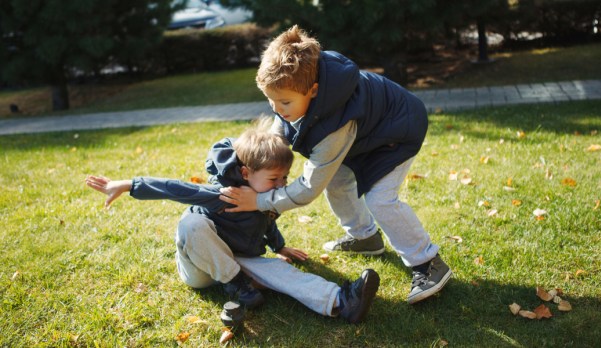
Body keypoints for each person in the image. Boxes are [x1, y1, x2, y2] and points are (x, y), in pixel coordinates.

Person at [219, 26, 451, 305]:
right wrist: (250, 156)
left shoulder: (334, 128)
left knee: (380, 200)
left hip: (397, 133)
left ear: (313, 91)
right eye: (270, 100)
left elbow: (308, 188)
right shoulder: (301, 88)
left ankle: (427, 262)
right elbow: (279, 131)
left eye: (284, 102)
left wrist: (259, 201)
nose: (277, 109)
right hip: (365, 137)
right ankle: (365, 237)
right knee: (338, 182)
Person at [85, 120, 380, 324]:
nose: (280, 185)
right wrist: (127, 184)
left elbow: (266, 223)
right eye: (274, 179)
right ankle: (240, 284)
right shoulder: (223, 194)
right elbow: (174, 188)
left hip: (236, 262)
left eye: (284, 178)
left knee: (280, 271)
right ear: (245, 173)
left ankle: (341, 302)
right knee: (191, 223)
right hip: (200, 269)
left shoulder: (266, 198)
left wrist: (280, 246)